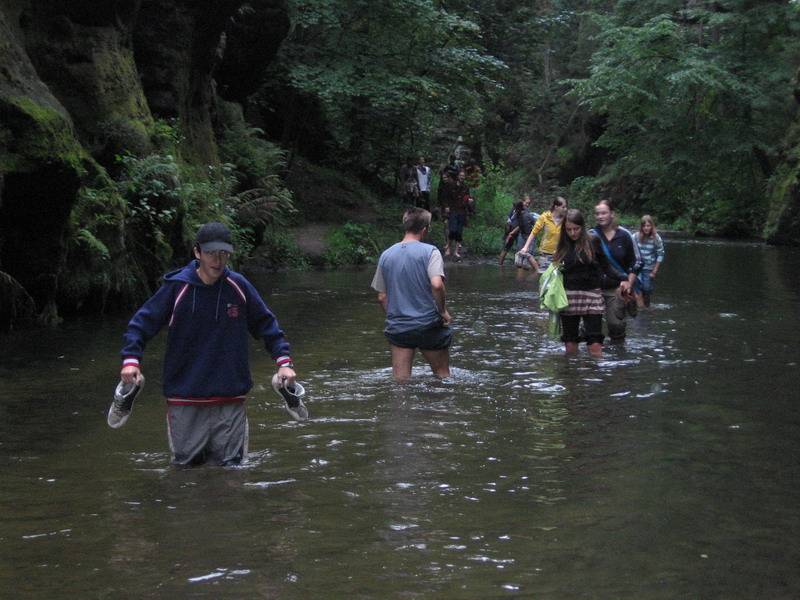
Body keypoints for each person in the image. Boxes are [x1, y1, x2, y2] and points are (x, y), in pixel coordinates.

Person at [118, 222, 297, 466]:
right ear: (197, 252)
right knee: (186, 475)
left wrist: (284, 363)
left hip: (230, 396)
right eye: (211, 253)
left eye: (224, 253)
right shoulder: (177, 288)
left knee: (232, 472)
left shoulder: (239, 286)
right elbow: (141, 324)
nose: (218, 260)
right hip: (185, 396)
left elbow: (267, 325)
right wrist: (131, 361)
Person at [371, 208, 452, 379]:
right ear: (425, 229)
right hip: (428, 325)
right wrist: (443, 311)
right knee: (442, 376)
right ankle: (440, 406)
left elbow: (382, 297)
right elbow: (437, 285)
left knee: (400, 380)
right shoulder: (431, 252)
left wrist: (400, 316)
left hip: (400, 327)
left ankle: (400, 405)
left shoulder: (386, 255)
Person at [552, 209, 627, 357]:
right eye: (569, 230)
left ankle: (596, 374)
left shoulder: (593, 241)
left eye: (576, 229)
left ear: (582, 227)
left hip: (592, 295)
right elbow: (555, 272)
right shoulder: (562, 244)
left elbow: (606, 266)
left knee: (595, 342)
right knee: (570, 342)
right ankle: (571, 374)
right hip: (568, 297)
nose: (573, 233)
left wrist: (623, 278)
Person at [590, 199, 642, 342]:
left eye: (604, 213)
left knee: (617, 327)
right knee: (590, 329)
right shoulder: (591, 235)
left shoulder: (624, 235)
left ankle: (619, 359)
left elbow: (637, 262)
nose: (600, 216)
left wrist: (628, 283)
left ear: (612, 214)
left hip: (617, 289)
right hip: (595, 288)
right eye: (597, 214)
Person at [521, 196, 567, 272]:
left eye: (566, 207)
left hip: (560, 254)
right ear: (556, 207)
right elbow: (534, 232)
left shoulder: (566, 219)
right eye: (563, 207)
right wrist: (526, 247)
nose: (565, 209)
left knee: (557, 279)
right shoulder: (545, 217)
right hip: (546, 253)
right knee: (544, 278)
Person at [634, 215, 665, 307]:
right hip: (636, 267)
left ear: (652, 226)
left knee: (646, 290)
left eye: (648, 226)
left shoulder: (656, 238)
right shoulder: (635, 237)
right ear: (641, 227)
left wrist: (654, 271)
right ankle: (637, 307)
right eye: (644, 226)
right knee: (637, 288)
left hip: (649, 267)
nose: (646, 228)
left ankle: (646, 309)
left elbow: (660, 254)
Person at [441, 169, 471, 258]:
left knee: (459, 231)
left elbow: (467, 197)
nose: (462, 177)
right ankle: (449, 248)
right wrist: (446, 206)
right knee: (452, 230)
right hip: (453, 210)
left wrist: (469, 201)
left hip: (462, 211)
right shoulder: (451, 185)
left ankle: (456, 251)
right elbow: (445, 197)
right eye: (461, 175)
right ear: (458, 176)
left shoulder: (466, 187)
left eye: (464, 176)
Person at [498, 196, 536, 266]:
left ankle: (520, 265)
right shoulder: (518, 211)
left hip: (516, 232)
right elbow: (516, 222)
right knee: (506, 248)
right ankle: (500, 265)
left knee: (519, 249)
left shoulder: (522, 211)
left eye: (529, 203)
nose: (527, 205)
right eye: (526, 203)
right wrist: (510, 231)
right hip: (513, 232)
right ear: (522, 202)